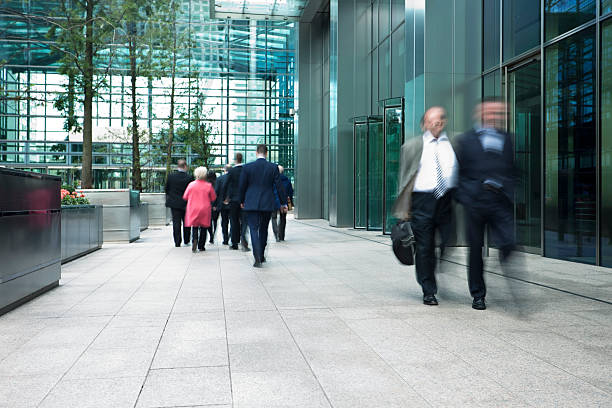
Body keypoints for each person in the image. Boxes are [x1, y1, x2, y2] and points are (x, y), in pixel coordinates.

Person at [455, 98, 517, 311]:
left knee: (509, 242)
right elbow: (458, 173)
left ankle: (507, 269)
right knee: (475, 251)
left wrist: (509, 189)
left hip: (500, 202)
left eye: (498, 113)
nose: (494, 116)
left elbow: (511, 169)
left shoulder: (507, 138)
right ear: (480, 114)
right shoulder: (465, 140)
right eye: (490, 112)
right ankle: (478, 295)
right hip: (475, 203)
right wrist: (466, 197)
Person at [392, 106, 458, 306]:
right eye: (432, 120)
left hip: (447, 200)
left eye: (439, 119)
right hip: (422, 202)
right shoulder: (412, 146)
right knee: (424, 247)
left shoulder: (455, 143)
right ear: (424, 124)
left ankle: (431, 267)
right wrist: (404, 210)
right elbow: (403, 178)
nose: (436, 123)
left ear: (444, 122)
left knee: (447, 241)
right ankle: (428, 289)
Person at [239, 144, 287, 267]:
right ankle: (261, 254)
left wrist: (241, 200)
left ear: (256, 152)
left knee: (254, 229)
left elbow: (242, 186)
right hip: (267, 202)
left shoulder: (247, 167)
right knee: (264, 229)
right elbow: (279, 186)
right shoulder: (273, 167)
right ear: (266, 153)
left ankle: (257, 257)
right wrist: (283, 203)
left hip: (251, 202)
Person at [183, 166, 217, 253]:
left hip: (193, 208)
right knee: (204, 227)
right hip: (205, 208)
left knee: (194, 226)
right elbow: (213, 198)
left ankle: (194, 240)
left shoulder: (191, 185)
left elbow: (185, 196)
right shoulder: (208, 185)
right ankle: (201, 246)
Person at [222, 153, 250, 251]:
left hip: (233, 200)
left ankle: (234, 243)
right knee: (244, 221)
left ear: (235, 160)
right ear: (242, 159)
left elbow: (225, 185)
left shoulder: (231, 171)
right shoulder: (246, 170)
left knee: (234, 221)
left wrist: (224, 198)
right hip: (245, 200)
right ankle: (243, 238)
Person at [165, 159, 194, 247]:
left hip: (174, 203)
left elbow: (167, 189)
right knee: (186, 222)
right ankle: (186, 240)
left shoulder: (171, 176)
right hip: (186, 203)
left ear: (178, 166)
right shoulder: (189, 177)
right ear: (185, 166)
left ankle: (177, 242)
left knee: (176, 222)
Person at [215, 164, 231, 245]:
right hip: (232, 203)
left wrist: (215, 204)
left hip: (222, 204)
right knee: (233, 221)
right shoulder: (234, 179)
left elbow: (216, 192)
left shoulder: (219, 179)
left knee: (224, 222)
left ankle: (225, 239)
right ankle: (232, 236)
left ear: (224, 170)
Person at [277, 165, 293, 241]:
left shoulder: (275, 180)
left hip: (276, 201)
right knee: (283, 218)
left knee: (274, 217)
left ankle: (276, 234)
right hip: (285, 202)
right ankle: (281, 236)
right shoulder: (287, 180)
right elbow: (290, 192)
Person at [207, 170, 218, 244]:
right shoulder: (217, 183)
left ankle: (211, 234)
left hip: (207, 205)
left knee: (209, 221)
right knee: (215, 220)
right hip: (215, 204)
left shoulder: (206, 184)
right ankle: (213, 233)